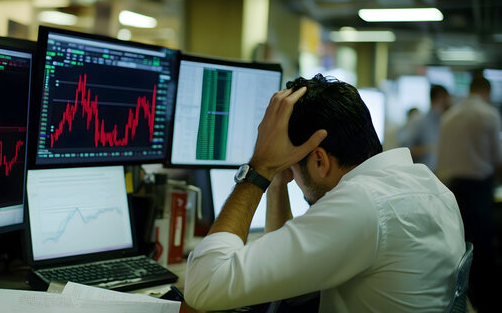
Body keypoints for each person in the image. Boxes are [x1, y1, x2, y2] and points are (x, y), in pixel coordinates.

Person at [184, 74, 465, 312]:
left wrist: (259, 168)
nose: (290, 174)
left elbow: (205, 286)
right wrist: (278, 182)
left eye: (292, 167)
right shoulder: (424, 184)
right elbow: (285, 278)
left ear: (319, 161)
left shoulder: (361, 205)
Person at [436, 74, 502, 312]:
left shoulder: (450, 115)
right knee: (481, 252)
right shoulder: (488, 114)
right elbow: (497, 159)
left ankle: (460, 301)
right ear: (486, 92)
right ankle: (483, 303)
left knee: (458, 247)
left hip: (450, 190)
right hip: (478, 189)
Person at [401, 85, 451, 171]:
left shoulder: (445, 122)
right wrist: (428, 149)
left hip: (440, 177)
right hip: (422, 177)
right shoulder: (419, 121)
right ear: (440, 98)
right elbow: (403, 150)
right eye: (447, 99)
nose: (450, 102)